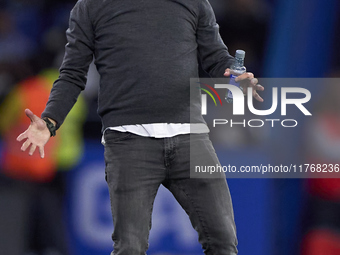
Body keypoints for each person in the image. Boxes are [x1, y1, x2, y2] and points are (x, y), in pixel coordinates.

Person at [17, 0, 264, 254]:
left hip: (190, 137)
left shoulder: (194, 2)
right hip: (128, 141)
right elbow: (72, 73)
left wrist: (234, 75)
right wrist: (50, 121)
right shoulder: (91, 6)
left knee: (223, 240)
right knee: (130, 247)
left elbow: (215, 57)